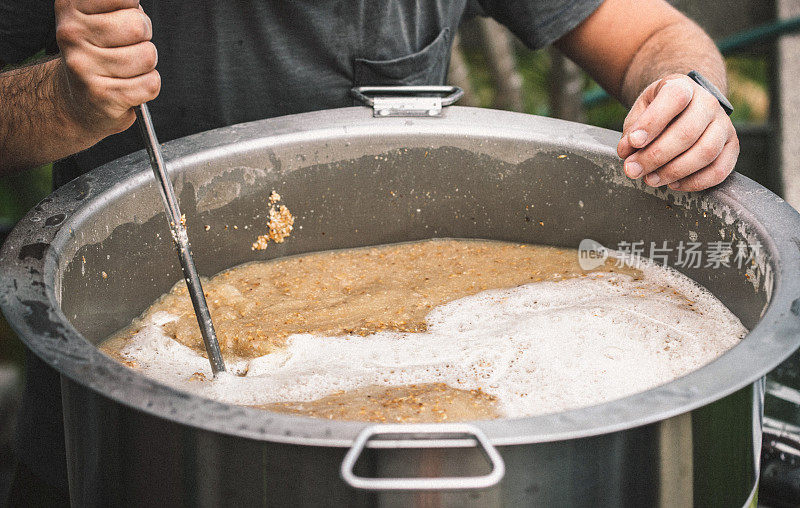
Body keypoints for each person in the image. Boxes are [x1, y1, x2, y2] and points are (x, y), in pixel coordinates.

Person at [0, 0, 739, 503]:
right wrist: (66, 100)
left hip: (419, 451)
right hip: (122, 437)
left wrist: (690, 94)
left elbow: (648, 35)